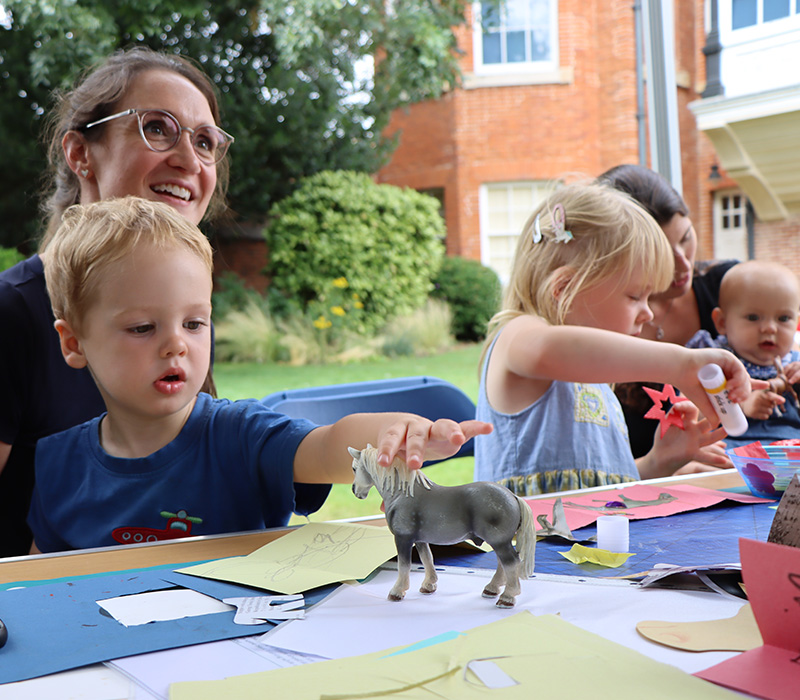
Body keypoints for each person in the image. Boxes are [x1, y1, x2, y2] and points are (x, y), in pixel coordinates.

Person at [28, 197, 492, 554]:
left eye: (194, 323)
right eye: (142, 328)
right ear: (74, 343)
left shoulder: (240, 435)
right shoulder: (56, 464)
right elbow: (37, 583)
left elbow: (331, 446)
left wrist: (392, 434)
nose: (177, 344)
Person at [0, 47, 231, 556]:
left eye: (205, 141)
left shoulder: (182, 315)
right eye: (157, 128)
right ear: (81, 153)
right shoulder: (11, 314)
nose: (189, 160)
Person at [473, 182, 760, 496]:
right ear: (565, 288)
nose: (647, 313)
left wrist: (658, 464)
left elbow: (592, 485)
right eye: (635, 296)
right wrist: (680, 363)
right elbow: (546, 351)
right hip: (527, 543)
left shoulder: (593, 377)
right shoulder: (519, 335)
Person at [598, 164, 739, 459]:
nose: (683, 264)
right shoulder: (597, 323)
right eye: (660, 252)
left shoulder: (730, 287)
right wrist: (663, 468)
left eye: (685, 238)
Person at [687, 260, 800, 448]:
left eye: (783, 318)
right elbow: (686, 410)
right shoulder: (711, 362)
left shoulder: (793, 364)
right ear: (722, 322)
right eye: (753, 317)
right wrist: (739, 406)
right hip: (732, 452)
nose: (770, 328)